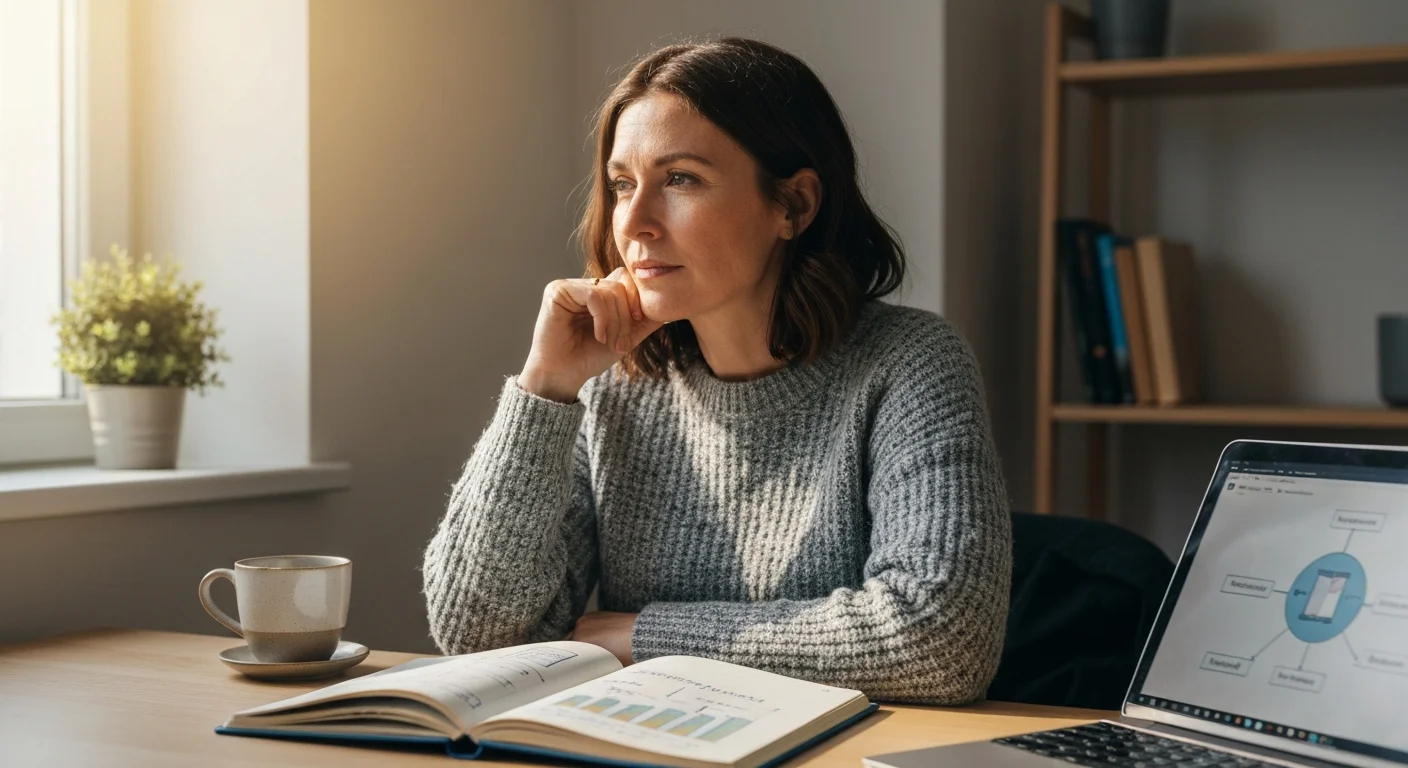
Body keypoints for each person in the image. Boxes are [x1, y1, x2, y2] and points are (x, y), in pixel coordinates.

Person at [422, 37, 1010, 704]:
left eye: (681, 179)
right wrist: (545, 389)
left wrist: (646, 636)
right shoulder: (617, 386)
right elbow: (477, 635)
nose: (635, 222)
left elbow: (941, 642)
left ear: (793, 206)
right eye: (621, 184)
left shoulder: (911, 364)